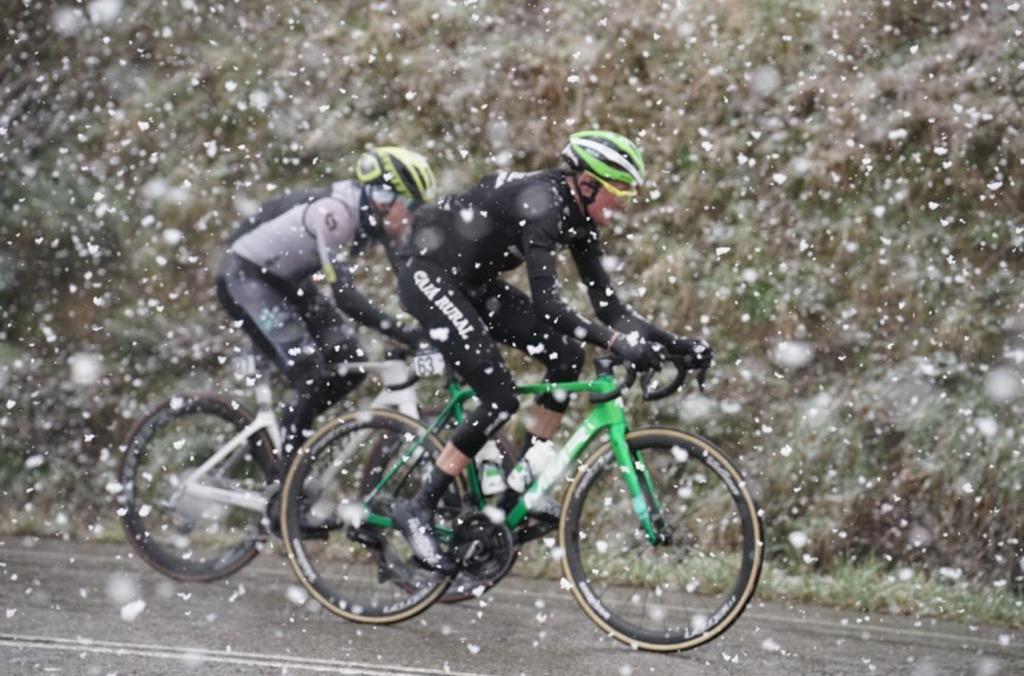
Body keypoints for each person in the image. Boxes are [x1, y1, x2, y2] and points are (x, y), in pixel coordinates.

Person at [390, 130, 712, 574]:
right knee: (500, 395)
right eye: (618, 191)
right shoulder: (542, 204)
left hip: (473, 283)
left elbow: (610, 309)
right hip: (428, 273)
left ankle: (517, 489)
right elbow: (548, 305)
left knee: (564, 353)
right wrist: (617, 344)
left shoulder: (579, 217)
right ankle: (418, 507)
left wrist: (677, 346)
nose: (623, 203)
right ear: (586, 183)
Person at [215, 146, 435, 468]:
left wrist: (435, 328)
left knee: (350, 363)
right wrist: (406, 334)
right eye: (411, 205)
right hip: (245, 277)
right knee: (310, 374)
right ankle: (286, 486)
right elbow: (346, 298)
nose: (413, 216)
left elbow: (409, 279)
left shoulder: (375, 219)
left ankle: (298, 448)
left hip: (285, 282)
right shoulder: (336, 214)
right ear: (381, 197)